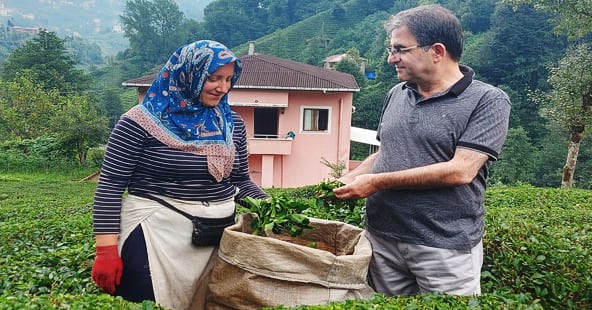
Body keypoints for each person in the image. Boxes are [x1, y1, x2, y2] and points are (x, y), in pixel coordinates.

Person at [333, 4, 511, 296]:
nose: (392, 59)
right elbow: (385, 152)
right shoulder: (397, 93)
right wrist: (351, 178)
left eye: (400, 49)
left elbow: (461, 170)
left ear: (437, 51)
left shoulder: (488, 100)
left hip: (443, 246)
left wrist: (376, 182)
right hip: (382, 239)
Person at [90, 40, 269, 309]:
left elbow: (240, 181)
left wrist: (271, 207)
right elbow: (110, 187)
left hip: (216, 240)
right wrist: (105, 251)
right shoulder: (139, 123)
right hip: (156, 238)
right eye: (214, 78)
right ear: (190, 74)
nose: (223, 87)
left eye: (229, 79)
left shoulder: (232, 124)